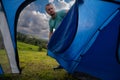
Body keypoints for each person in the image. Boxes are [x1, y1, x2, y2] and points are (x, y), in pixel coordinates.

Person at [45, 3, 67, 70]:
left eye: (52, 8)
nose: (51, 10)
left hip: (68, 34)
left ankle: (71, 66)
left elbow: (71, 11)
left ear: (54, 8)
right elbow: (51, 32)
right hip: (61, 38)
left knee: (68, 51)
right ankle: (61, 64)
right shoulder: (50, 21)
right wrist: (49, 42)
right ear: (47, 12)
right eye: (48, 10)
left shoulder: (61, 13)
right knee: (59, 51)